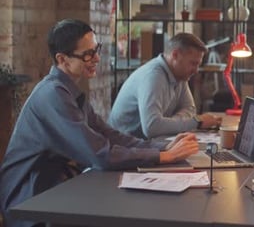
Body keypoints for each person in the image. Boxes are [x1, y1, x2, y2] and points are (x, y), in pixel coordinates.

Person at [0, 19, 199, 227]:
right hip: (29, 201)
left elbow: (110, 135)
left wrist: (164, 146)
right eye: (88, 54)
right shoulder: (53, 95)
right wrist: (163, 156)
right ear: (62, 59)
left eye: (96, 49)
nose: (96, 58)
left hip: (54, 189)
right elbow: (99, 153)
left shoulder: (68, 91)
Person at [108, 32, 222, 139]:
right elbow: (152, 127)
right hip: (123, 150)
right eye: (193, 63)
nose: (196, 70)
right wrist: (197, 122)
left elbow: (189, 109)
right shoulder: (154, 76)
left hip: (146, 145)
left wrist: (169, 122)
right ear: (175, 55)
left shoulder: (180, 75)